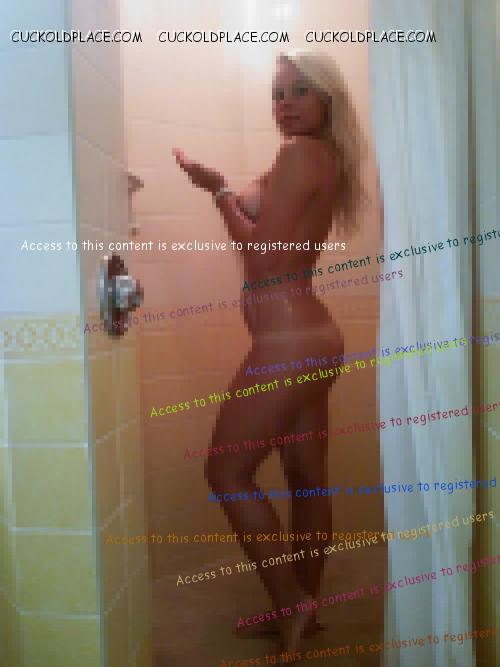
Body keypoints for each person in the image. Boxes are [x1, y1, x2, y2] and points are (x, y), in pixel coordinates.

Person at [173, 50, 365, 654]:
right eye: (278, 94)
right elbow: (260, 215)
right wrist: (221, 187)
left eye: (299, 91)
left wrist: (218, 196)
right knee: (306, 480)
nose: (285, 104)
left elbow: (261, 254)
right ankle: (304, 611)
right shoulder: (321, 157)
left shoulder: (300, 154)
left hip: (289, 341)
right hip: (311, 338)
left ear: (327, 99)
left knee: (226, 471)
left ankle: (291, 602)